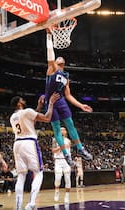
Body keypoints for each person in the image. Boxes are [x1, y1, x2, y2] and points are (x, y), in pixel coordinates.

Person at [44, 30, 93, 166]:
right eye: (56, 59)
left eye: (60, 60)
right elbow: (50, 55)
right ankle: (66, 155)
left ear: (63, 64)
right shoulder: (51, 69)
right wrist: (49, 36)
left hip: (61, 101)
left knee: (70, 124)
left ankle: (80, 148)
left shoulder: (66, 76)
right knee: (57, 129)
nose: (58, 59)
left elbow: (68, 95)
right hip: (50, 102)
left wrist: (81, 105)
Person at [10, 93, 59, 210]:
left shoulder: (12, 117)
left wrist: (39, 106)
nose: (23, 100)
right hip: (29, 142)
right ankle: (32, 203)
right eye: (21, 99)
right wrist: (51, 103)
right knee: (38, 173)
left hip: (17, 144)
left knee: (21, 176)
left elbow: (30, 121)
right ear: (18, 103)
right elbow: (47, 118)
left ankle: (18, 206)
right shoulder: (27, 111)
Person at [52, 127, 72, 203]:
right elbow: (53, 151)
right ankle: (57, 191)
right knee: (57, 178)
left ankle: (67, 196)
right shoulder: (55, 140)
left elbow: (69, 152)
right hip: (58, 160)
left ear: (66, 132)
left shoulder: (68, 141)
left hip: (66, 161)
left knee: (67, 179)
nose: (62, 131)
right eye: (60, 130)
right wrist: (61, 147)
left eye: (63, 130)